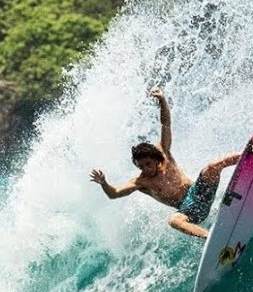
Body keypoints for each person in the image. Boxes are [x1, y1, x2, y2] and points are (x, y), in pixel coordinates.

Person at [90, 87, 240, 239]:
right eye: (140, 166)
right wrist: (103, 182)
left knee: (212, 167)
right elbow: (114, 194)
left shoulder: (164, 152)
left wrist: (162, 100)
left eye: (148, 164)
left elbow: (166, 124)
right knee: (173, 220)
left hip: (200, 192)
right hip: (189, 210)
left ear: (155, 159)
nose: (145, 169)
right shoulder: (141, 182)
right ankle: (211, 238)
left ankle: (250, 154)